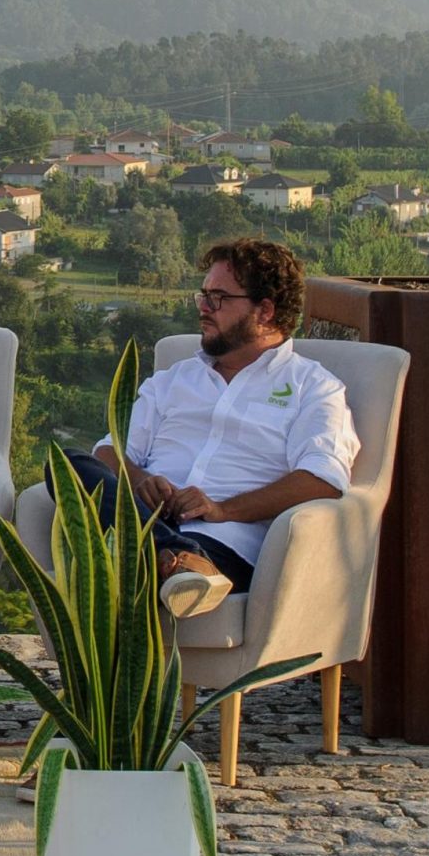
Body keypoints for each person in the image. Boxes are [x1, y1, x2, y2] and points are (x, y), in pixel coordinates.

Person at [68, 237, 358, 618]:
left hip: (227, 544)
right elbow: (109, 451)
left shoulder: (313, 387)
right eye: (203, 295)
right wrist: (139, 481)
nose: (204, 308)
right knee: (68, 463)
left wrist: (222, 509)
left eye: (218, 298)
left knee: (124, 567)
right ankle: (173, 557)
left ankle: (184, 562)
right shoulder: (174, 380)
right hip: (142, 524)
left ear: (265, 311)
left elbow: (322, 478)